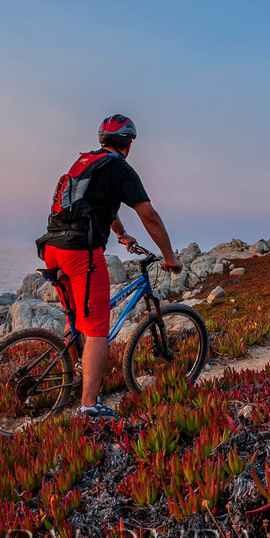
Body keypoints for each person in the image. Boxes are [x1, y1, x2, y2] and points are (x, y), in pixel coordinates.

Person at [38, 114, 181, 420]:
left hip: (52, 247)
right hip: (81, 253)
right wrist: (168, 256)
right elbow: (150, 215)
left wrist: (120, 234)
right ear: (129, 143)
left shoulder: (88, 163)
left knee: (75, 316)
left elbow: (99, 205)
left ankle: (73, 379)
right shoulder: (120, 168)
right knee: (98, 329)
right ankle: (90, 406)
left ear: (103, 139)